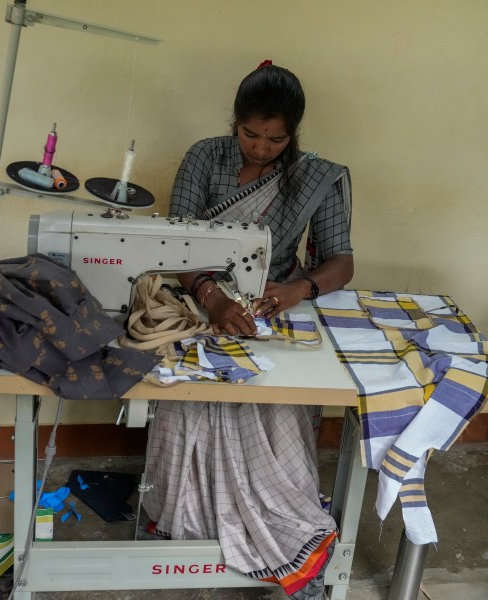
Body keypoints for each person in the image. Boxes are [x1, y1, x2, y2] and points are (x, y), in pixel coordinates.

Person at [142, 61, 354, 599]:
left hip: (271, 302)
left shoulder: (313, 176)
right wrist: (211, 296)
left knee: (274, 393)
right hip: (198, 299)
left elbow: (341, 262)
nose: (261, 148)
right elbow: (177, 243)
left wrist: (297, 289)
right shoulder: (203, 158)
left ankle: (282, 527)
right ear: (235, 123)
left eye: (275, 140)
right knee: (191, 388)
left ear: (294, 134)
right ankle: (189, 518)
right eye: (251, 135)